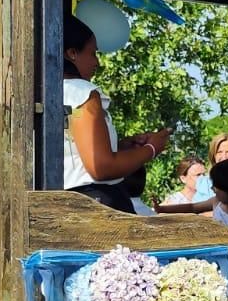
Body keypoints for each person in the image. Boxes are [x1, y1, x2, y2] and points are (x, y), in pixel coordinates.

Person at [62, 14, 170, 212]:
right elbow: (100, 167)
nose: (97, 62)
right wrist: (151, 149)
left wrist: (119, 146)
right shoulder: (83, 93)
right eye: (93, 53)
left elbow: (73, 154)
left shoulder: (52, 92)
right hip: (97, 203)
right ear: (72, 53)